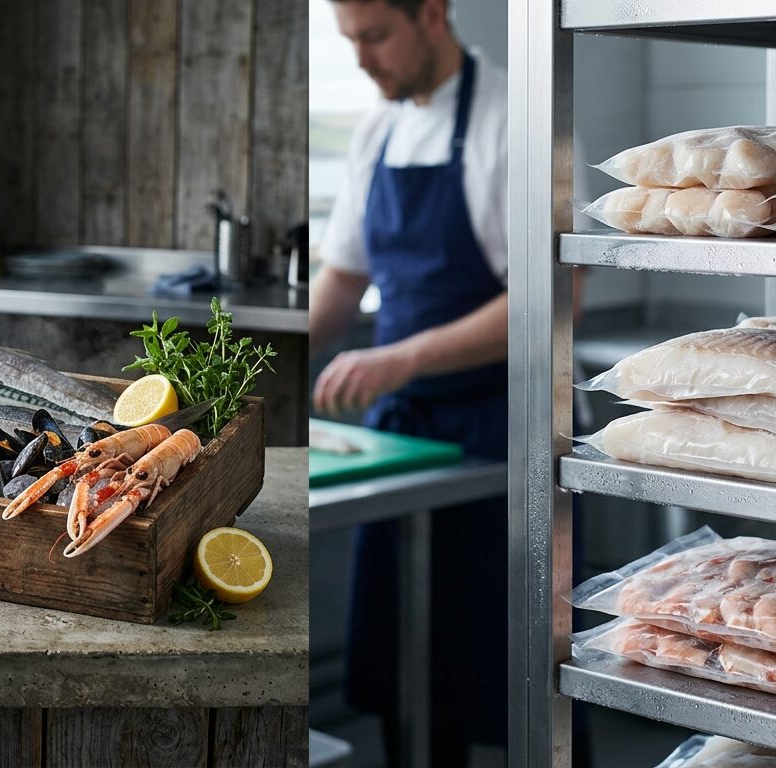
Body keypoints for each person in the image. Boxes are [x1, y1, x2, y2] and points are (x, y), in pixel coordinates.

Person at [309, 0, 509, 763]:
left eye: (375, 37)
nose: (362, 59)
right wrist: (254, 367)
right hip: (397, 437)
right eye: (349, 41)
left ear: (433, 14)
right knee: (401, 664)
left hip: (498, 432)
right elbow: (342, 278)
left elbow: (553, 302)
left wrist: (400, 358)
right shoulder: (378, 128)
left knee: (501, 660)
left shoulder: (514, 120)